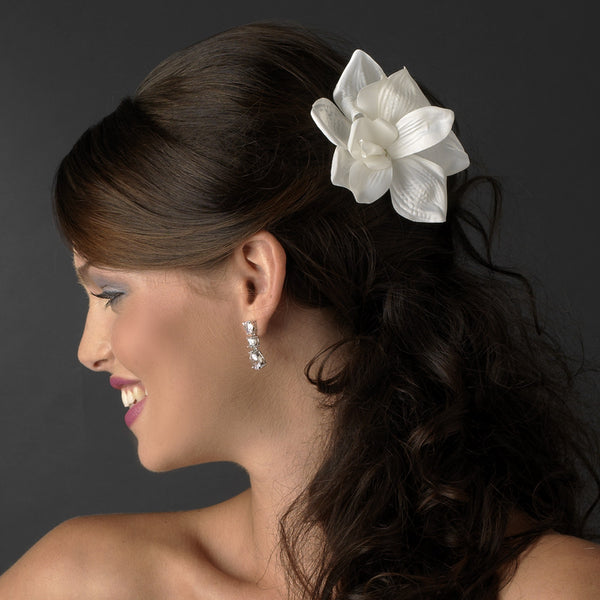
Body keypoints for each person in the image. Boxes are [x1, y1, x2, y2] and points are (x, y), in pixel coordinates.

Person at [1, 21, 599, 600]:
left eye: (112, 294)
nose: (90, 351)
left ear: (254, 281)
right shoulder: (75, 584)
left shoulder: (562, 589)